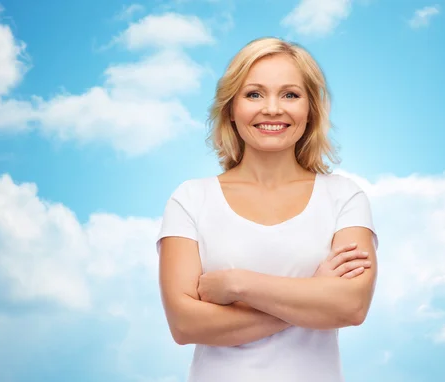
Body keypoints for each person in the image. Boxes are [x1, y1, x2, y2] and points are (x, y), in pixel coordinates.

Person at [156, 37, 378, 382]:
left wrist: (238, 284)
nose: (272, 109)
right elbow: (185, 325)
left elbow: (351, 307)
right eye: (254, 94)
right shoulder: (190, 199)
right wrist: (312, 297)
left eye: (290, 94)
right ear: (231, 108)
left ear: (311, 109)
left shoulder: (344, 197)